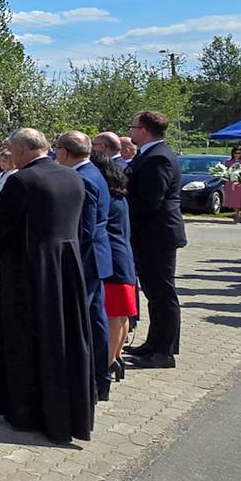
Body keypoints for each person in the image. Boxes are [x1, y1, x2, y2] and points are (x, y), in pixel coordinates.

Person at [0, 128, 95, 443]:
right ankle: (67, 411)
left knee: (26, 340)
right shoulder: (73, 177)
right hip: (66, 268)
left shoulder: (22, 181)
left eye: (11, 150)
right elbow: (82, 226)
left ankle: (26, 412)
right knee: (63, 338)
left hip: (28, 272)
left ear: (21, 150)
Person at [124, 110, 186, 369]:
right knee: (153, 291)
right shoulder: (149, 154)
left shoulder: (158, 157)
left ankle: (165, 350)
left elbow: (150, 200)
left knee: (162, 292)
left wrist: (120, 201)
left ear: (145, 130)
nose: (131, 131)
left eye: (133, 126)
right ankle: (153, 343)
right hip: (148, 233)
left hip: (157, 233)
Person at [57, 131, 114, 402]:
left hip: (87, 260)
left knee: (88, 323)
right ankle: (97, 380)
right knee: (95, 321)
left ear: (65, 153)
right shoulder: (92, 171)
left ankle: (91, 382)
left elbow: (85, 229)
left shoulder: (83, 178)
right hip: (97, 258)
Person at [96, 147, 139, 382]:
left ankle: (108, 361)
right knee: (121, 315)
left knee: (114, 315)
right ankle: (116, 356)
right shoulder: (119, 194)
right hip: (123, 256)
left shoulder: (107, 197)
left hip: (113, 259)